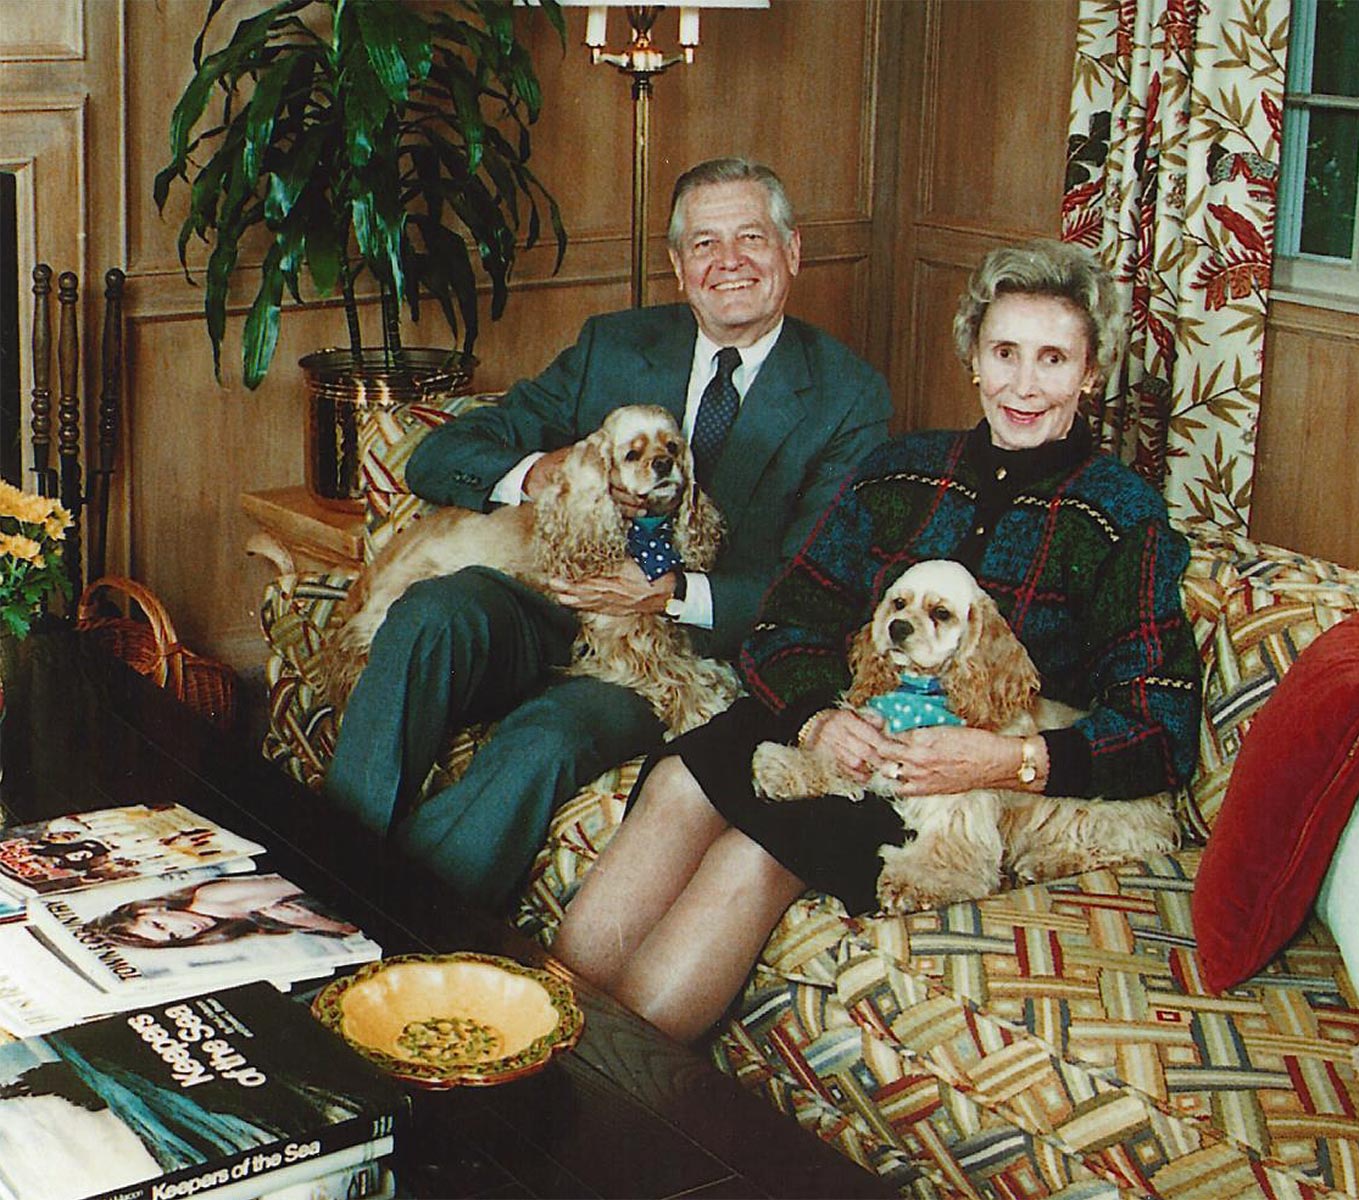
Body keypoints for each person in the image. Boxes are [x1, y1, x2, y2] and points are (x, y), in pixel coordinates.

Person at [552, 238, 1203, 1042]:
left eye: (1053, 360)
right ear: (973, 357)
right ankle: (541, 1041)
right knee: (679, 786)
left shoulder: (1122, 512)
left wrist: (1004, 759)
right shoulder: (900, 470)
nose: (1024, 386)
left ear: (1091, 373)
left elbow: (1160, 729)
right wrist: (820, 717)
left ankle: (610, 1093)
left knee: (754, 852)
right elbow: (789, 622)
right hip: (834, 722)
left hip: (941, 783)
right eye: (1004, 352)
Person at [323, 157, 892, 909]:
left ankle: (397, 920)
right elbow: (442, 456)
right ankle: (323, 874)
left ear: (792, 252)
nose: (729, 263)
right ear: (677, 267)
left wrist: (669, 594)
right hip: (545, 603)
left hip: (662, 655)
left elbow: (813, 589)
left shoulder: (848, 396)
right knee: (429, 615)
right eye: (703, 244)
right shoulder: (614, 346)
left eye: (751, 238)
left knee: (548, 738)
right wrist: (544, 474)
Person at [86, 875, 360, 948]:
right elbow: (349, 929)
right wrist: (314, 922)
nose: (182, 931)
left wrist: (315, 921)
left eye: (160, 925)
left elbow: (321, 879)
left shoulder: (213, 898)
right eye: (172, 937)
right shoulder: (229, 924)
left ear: (151, 909)